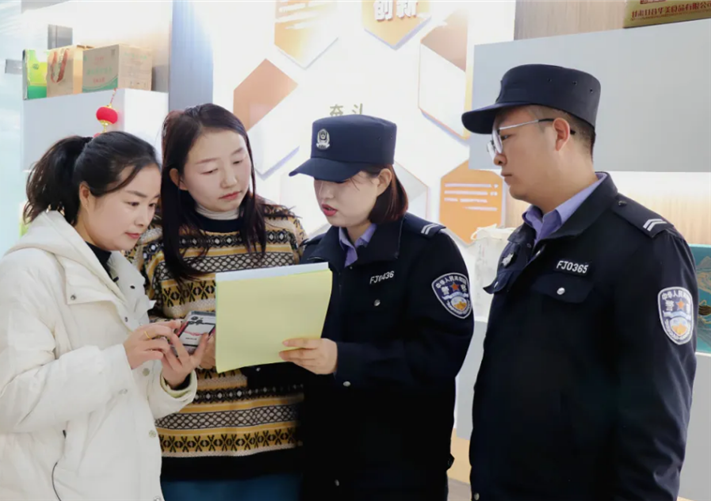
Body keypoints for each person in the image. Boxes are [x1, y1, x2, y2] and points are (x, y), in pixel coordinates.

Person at [462, 64, 698, 500]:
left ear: (558, 133)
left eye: (504, 137)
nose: (496, 156)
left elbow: (655, 423)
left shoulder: (645, 248)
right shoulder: (525, 238)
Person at [0, 131, 208, 500]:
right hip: (34, 487)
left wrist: (171, 379)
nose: (143, 218)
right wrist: (120, 359)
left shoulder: (120, 275)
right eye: (132, 202)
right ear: (86, 195)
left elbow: (127, 405)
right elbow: (13, 400)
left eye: (151, 205)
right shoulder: (25, 273)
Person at [280, 114, 474, 500]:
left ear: (382, 180)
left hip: (400, 473)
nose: (325, 194)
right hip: (325, 471)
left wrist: (343, 360)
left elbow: (439, 356)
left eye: (341, 181)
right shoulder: (314, 254)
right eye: (318, 180)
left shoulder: (428, 251)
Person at [129, 104, 307, 501]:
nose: (231, 179)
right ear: (178, 178)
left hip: (278, 445)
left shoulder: (283, 228)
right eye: (209, 170)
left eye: (239, 161)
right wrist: (184, 351)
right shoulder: (149, 239)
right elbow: (126, 335)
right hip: (186, 451)